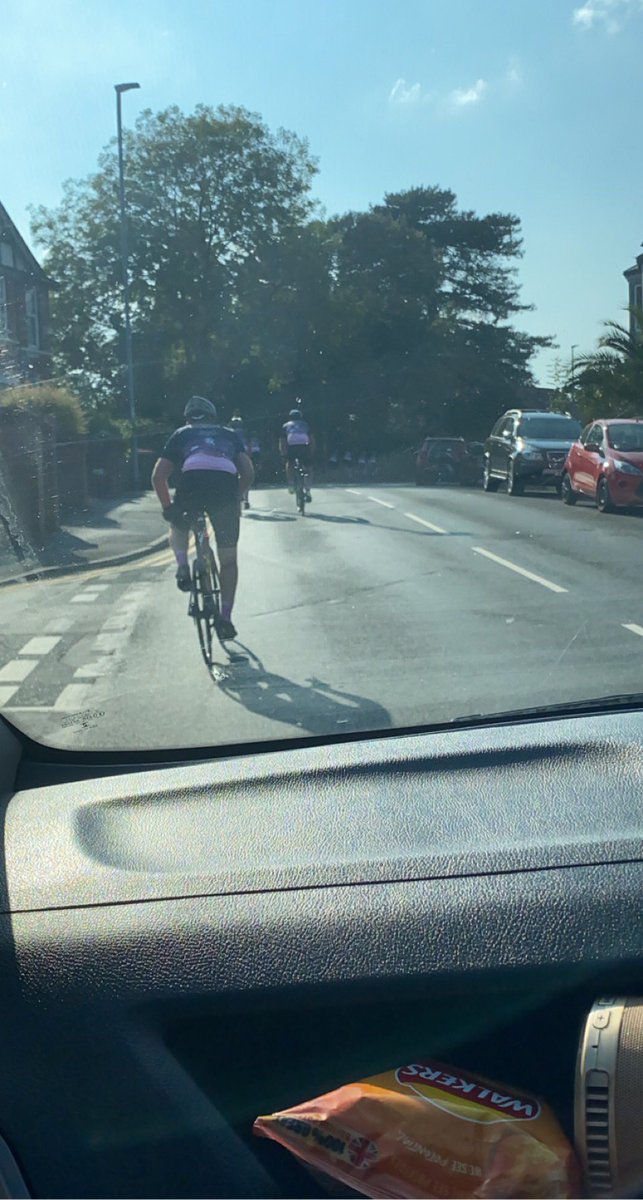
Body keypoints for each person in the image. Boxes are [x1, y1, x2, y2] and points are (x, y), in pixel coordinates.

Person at [151, 396, 254, 641]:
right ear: (213, 417)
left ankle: (183, 567)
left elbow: (158, 477)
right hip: (225, 486)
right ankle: (226, 618)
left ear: (188, 418)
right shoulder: (229, 434)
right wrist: (235, 497)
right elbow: (248, 472)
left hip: (192, 483)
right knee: (228, 561)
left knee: (178, 525)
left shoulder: (181, 434)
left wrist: (168, 508)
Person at [279, 405, 314, 499]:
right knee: (309, 469)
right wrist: (311, 450)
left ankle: (290, 484)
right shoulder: (305, 425)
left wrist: (283, 453)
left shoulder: (286, 425)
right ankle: (308, 490)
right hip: (304, 447)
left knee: (289, 463)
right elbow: (311, 439)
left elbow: (282, 441)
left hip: (292, 447)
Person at [230, 415, 252, 509]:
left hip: (231, 454)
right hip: (243, 453)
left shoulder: (229, 432)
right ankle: (245, 498)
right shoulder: (245, 432)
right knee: (245, 474)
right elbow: (248, 444)